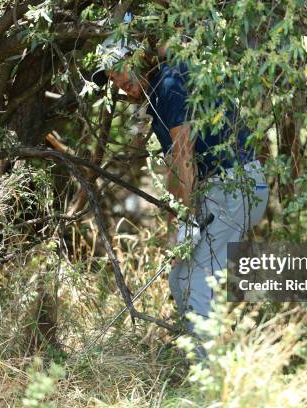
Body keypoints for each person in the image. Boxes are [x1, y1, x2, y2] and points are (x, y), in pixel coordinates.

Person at [91, 32, 270, 348]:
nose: (119, 82)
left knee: (196, 283)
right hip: (219, 189)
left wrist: (185, 220)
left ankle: (211, 383)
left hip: (233, 185)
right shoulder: (160, 93)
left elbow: (184, 154)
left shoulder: (170, 84)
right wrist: (183, 223)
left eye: (120, 70)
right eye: (112, 78)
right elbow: (178, 166)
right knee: (180, 279)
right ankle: (206, 364)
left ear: (139, 58)